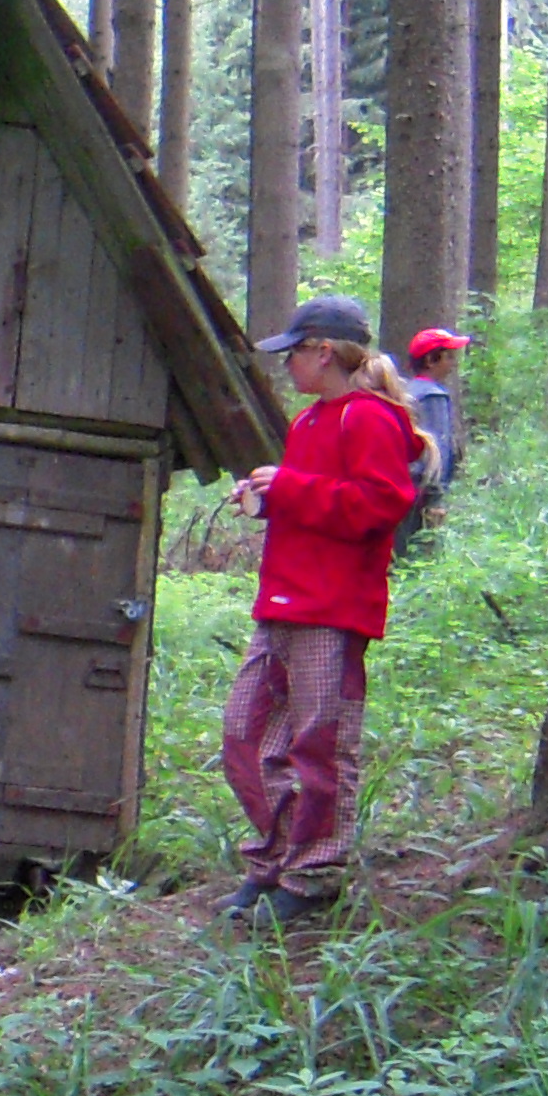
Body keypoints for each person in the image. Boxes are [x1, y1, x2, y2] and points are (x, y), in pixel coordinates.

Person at [218, 294, 432, 931]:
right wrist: (266, 497)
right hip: (283, 603)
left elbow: (381, 504)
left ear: (324, 353)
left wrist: (288, 487)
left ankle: (313, 876)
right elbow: (316, 501)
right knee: (246, 733)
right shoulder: (310, 422)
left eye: (294, 353)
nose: (287, 365)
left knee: (320, 743)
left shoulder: (367, 418)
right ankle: (273, 859)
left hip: (332, 609)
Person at [395, 327, 470, 557]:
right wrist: (435, 498)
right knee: (418, 557)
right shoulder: (433, 396)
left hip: (401, 487)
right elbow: (437, 450)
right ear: (430, 360)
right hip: (421, 493)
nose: (453, 363)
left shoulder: (405, 390)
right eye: (449, 356)